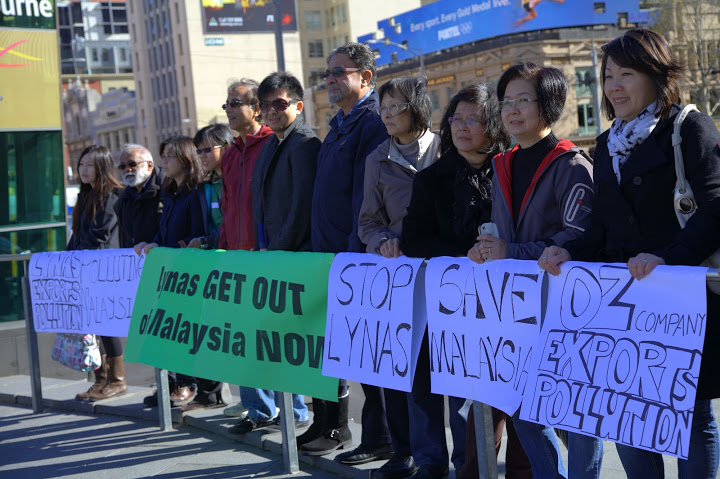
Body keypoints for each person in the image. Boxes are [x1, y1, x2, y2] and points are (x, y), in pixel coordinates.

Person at [539, 28, 720, 479]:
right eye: (607, 76)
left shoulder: (688, 127)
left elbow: (716, 205)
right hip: (625, 306)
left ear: (657, 77)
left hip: (681, 298)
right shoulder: (606, 145)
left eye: (626, 74)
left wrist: (668, 259)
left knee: (691, 418)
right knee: (627, 415)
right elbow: (603, 223)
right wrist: (565, 249)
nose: (613, 87)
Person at [466, 62, 598, 479]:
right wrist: (486, 251)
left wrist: (511, 251)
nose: (513, 110)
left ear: (550, 105)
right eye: (507, 102)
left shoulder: (572, 164)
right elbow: (504, 236)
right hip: (517, 313)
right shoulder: (503, 163)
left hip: (565, 314)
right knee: (523, 408)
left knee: (575, 417)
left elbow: (578, 239)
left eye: (525, 100)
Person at [400, 83, 511, 479]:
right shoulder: (430, 179)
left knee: (481, 387)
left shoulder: (509, 169)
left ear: (493, 125)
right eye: (457, 118)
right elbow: (413, 241)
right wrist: (461, 253)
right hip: (442, 296)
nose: (463, 126)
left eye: (475, 119)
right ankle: (430, 462)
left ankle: (472, 463)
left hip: (502, 302)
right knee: (428, 377)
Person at [301, 42, 391, 459]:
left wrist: (352, 256)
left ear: (366, 78)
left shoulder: (371, 122)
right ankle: (331, 427)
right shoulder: (340, 123)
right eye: (328, 73)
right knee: (341, 353)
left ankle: (379, 440)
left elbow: (364, 200)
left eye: (340, 72)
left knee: (369, 358)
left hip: (354, 261)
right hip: (329, 258)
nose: (331, 80)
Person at [357, 76, 440, 479]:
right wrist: (382, 242)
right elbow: (367, 223)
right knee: (400, 370)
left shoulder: (445, 148)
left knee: (444, 373)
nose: (387, 114)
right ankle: (408, 454)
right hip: (398, 281)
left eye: (395, 106)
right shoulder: (377, 158)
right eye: (383, 107)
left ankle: (441, 459)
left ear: (418, 108)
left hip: (444, 277)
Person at [228, 71, 319, 434]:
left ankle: (300, 414)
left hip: (294, 259)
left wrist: (275, 251)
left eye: (279, 104)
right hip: (270, 255)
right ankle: (275, 410)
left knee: (294, 346)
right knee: (268, 342)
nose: (271, 111)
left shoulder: (305, 143)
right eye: (266, 105)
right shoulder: (272, 145)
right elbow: (261, 206)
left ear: (298, 105)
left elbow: (301, 207)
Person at [215, 78, 276, 421]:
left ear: (257, 108)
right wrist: (224, 250)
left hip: (265, 257)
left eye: (235, 103)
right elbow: (226, 207)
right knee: (243, 338)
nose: (228, 109)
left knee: (271, 339)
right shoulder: (230, 154)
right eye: (226, 103)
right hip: (236, 257)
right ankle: (258, 407)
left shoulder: (271, 144)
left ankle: (290, 408)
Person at [134, 136, 206, 406]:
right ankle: (170, 382)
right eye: (162, 155)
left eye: (169, 156)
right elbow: (163, 229)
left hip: (189, 271)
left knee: (185, 329)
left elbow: (198, 231)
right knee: (167, 329)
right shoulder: (168, 191)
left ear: (186, 159)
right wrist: (152, 242)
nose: (163, 161)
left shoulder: (196, 191)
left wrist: (176, 246)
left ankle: (189, 383)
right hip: (168, 271)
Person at [67, 145, 126, 402]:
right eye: (81, 165)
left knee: (107, 326)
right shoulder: (85, 196)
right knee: (92, 327)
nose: (84, 169)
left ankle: (118, 380)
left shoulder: (111, 195)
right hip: (86, 269)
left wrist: (76, 257)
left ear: (102, 166)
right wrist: (65, 259)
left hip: (104, 271)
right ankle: (100, 380)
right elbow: (77, 235)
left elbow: (100, 235)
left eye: (90, 165)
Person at [114, 144, 163, 249]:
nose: (128, 169)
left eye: (132, 164)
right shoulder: (123, 198)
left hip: (161, 258)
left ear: (149, 165)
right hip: (134, 260)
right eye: (123, 166)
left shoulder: (166, 188)